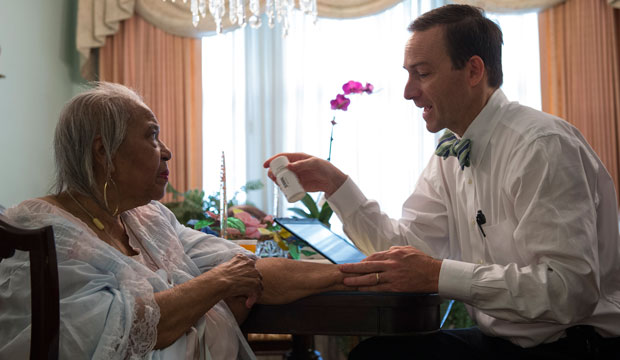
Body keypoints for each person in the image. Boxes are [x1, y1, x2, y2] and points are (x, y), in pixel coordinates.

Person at [264, 4, 620, 359]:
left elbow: (568, 290)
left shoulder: (541, 146)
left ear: (473, 70)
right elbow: (406, 247)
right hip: (502, 341)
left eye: (422, 73)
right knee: (377, 354)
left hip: (577, 344)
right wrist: (335, 184)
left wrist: (438, 275)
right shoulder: (449, 152)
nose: (408, 91)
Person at [0, 82, 352, 359]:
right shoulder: (43, 231)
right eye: (152, 135)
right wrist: (217, 285)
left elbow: (249, 268)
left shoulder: (147, 218)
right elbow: (123, 332)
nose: (167, 150)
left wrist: (352, 273)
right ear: (102, 152)